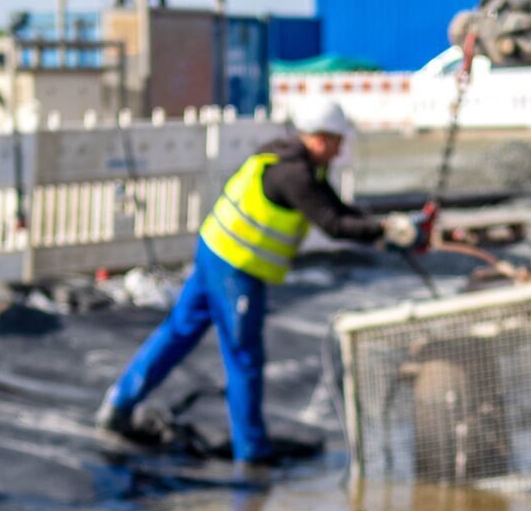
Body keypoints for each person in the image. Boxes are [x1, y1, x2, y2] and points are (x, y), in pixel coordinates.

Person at [96, 100, 426, 466]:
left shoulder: (293, 161)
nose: (340, 149)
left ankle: (118, 404)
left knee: (179, 331)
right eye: (336, 140)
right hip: (236, 266)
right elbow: (333, 224)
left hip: (215, 249)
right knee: (244, 355)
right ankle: (250, 450)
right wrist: (387, 232)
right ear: (319, 138)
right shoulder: (294, 174)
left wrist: (387, 226)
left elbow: (339, 209)